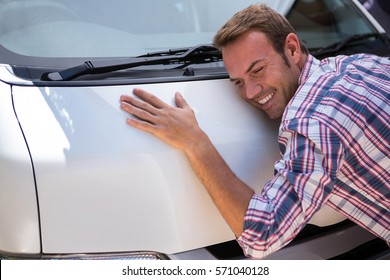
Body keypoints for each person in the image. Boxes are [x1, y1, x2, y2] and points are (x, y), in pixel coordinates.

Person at [120, 4, 390, 258]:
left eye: (258, 70)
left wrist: (196, 143)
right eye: (238, 81)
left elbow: (262, 235)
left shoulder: (312, 122)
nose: (250, 92)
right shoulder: (360, 64)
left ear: (292, 49)